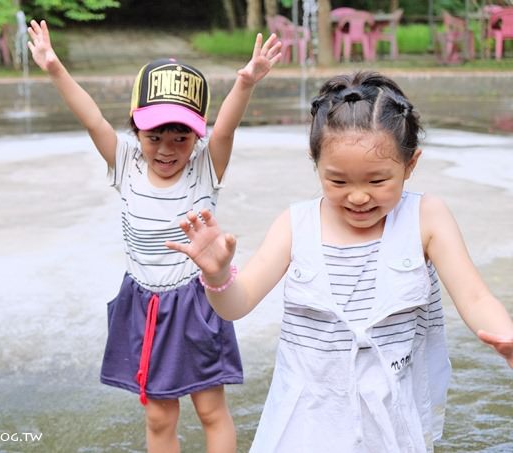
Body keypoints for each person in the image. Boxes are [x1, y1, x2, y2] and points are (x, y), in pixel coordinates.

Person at [166, 71, 513, 452]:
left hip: (389, 423)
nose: (359, 197)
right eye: (338, 182)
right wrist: (216, 273)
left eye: (378, 181)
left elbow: (475, 297)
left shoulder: (426, 217)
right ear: (315, 164)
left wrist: (506, 337)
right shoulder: (296, 225)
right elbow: (237, 304)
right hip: (306, 423)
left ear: (410, 164)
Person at [27, 19, 281, 453]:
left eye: (180, 136)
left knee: (209, 408)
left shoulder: (205, 166)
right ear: (136, 131)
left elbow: (226, 130)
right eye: (154, 135)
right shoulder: (125, 162)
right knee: (159, 414)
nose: (166, 148)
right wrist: (53, 68)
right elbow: (91, 118)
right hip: (145, 302)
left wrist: (245, 84)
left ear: (196, 136)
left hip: (197, 301)